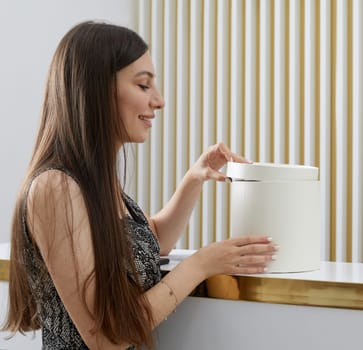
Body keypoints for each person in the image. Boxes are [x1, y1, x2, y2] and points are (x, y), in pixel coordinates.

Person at [3, 21, 277, 350]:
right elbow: (107, 335)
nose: (159, 101)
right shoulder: (55, 188)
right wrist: (202, 264)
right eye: (144, 86)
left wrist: (194, 178)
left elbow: (151, 243)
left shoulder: (97, 186)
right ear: (96, 90)